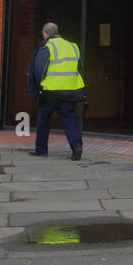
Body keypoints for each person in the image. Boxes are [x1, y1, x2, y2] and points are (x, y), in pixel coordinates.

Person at [25, 21, 85, 160]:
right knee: (69, 118)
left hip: (51, 90)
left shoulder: (46, 46)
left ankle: (41, 149)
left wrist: (38, 88)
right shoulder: (73, 46)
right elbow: (79, 68)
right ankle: (76, 146)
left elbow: (39, 69)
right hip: (70, 89)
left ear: (45, 34)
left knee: (43, 119)